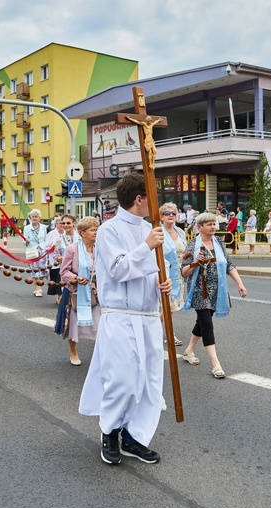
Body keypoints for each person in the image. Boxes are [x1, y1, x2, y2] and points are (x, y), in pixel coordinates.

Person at [79, 173, 172, 466]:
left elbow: (160, 268)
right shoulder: (110, 230)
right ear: (139, 199)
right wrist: (146, 246)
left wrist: (164, 283)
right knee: (123, 379)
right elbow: (118, 269)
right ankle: (110, 431)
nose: (156, 203)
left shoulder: (150, 229)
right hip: (120, 316)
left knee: (148, 382)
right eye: (152, 197)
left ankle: (135, 437)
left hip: (147, 317)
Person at [181, 212, 247, 378]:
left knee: (202, 322)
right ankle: (216, 364)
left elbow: (228, 265)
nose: (213, 227)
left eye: (214, 224)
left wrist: (240, 283)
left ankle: (189, 350)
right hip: (199, 291)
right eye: (209, 224)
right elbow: (184, 271)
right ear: (200, 227)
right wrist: (196, 261)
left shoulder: (218, 242)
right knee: (207, 324)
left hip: (217, 290)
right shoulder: (191, 245)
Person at [54, 217, 100, 366]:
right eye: (93, 230)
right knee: (73, 325)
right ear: (83, 233)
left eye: (96, 229)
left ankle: (100, 354)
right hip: (75, 292)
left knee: (100, 325)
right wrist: (77, 278)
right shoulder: (72, 249)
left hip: (95, 292)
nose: (96, 232)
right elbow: (64, 271)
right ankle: (73, 352)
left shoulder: (100, 248)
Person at [160, 202, 187, 346]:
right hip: (164, 274)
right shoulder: (158, 231)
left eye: (173, 213)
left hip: (179, 274)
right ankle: (169, 334)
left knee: (172, 307)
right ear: (161, 216)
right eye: (167, 213)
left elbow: (185, 250)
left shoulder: (180, 232)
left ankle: (157, 330)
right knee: (167, 306)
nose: (170, 216)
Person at [23, 209, 49, 297]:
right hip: (32, 251)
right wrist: (26, 241)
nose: (34, 218)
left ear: (39, 218)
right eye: (32, 217)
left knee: (44, 270)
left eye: (36, 216)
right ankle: (37, 289)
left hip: (42, 250)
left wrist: (47, 248)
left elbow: (45, 239)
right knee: (34, 270)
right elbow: (24, 241)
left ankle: (39, 283)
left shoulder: (43, 227)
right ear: (30, 218)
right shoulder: (27, 228)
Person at [44, 216, 65, 305]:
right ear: (56, 224)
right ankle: (58, 297)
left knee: (64, 278)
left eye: (64, 223)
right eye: (61, 223)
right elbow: (45, 247)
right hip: (55, 260)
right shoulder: (51, 234)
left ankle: (63, 297)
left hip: (66, 260)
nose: (62, 225)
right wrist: (52, 248)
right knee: (57, 278)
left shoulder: (68, 233)